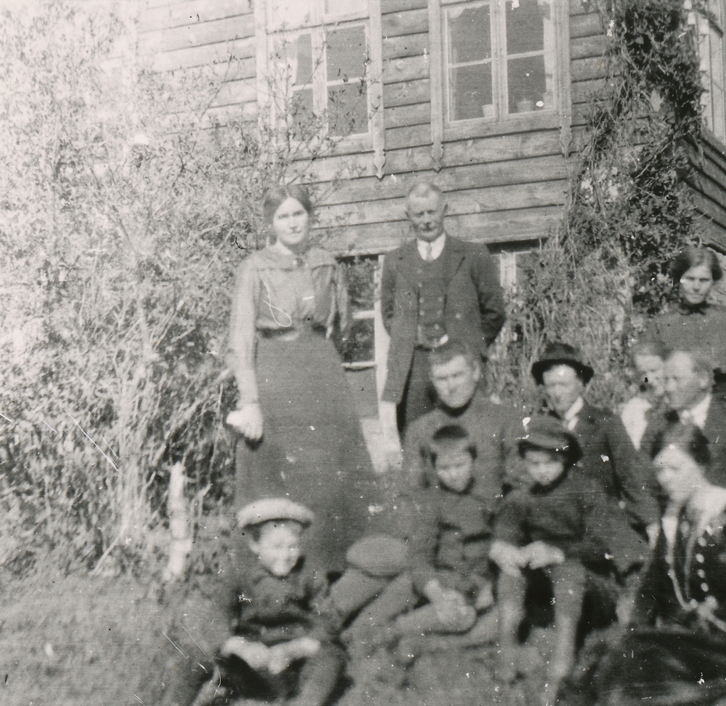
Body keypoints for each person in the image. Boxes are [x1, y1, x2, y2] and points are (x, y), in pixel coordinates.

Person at [560, 425, 726, 706]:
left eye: (675, 468)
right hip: (688, 630)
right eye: (660, 470)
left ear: (701, 465)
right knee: (613, 644)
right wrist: (635, 626)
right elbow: (654, 586)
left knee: (644, 660)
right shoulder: (673, 518)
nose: (665, 479)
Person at [224, 185, 374, 573]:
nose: (292, 223)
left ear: (310, 217)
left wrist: (320, 356)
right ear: (271, 224)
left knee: (330, 473)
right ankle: (272, 573)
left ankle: (333, 569)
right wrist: (251, 401)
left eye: (298, 214)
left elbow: (343, 324)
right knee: (277, 471)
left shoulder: (326, 262)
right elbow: (240, 339)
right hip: (274, 370)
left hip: (321, 371)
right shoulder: (254, 267)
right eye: (283, 216)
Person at [138, 499, 346, 706]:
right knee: (196, 651)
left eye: (292, 546)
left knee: (332, 656)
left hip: (292, 670)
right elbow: (215, 617)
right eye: (276, 547)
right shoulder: (237, 575)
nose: (286, 555)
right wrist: (240, 647)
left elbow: (328, 621)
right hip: (250, 670)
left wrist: (295, 649)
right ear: (255, 545)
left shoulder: (310, 575)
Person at [490, 417, 642, 706]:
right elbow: (505, 533)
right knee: (511, 573)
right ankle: (506, 656)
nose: (541, 471)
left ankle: (561, 667)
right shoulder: (522, 496)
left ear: (566, 458)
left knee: (567, 569)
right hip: (546, 585)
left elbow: (604, 545)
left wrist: (557, 552)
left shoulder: (586, 490)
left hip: (594, 586)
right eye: (533, 463)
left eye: (549, 462)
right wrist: (503, 550)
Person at [341, 425, 502, 663]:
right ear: (434, 468)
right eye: (444, 468)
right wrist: (436, 591)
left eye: (460, 465)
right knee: (405, 585)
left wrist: (491, 587)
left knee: (467, 618)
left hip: (473, 586)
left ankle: (393, 633)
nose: (453, 474)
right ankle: (355, 634)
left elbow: (505, 546)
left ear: (474, 461)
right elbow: (419, 554)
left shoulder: (491, 498)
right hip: (438, 577)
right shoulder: (434, 502)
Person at [380, 182, 507, 434]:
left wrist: (469, 345)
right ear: (408, 217)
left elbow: (494, 312)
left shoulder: (474, 255)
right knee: (416, 439)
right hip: (414, 369)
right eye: (419, 214)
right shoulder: (395, 261)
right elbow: (389, 315)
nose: (427, 220)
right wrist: (412, 337)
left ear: (444, 210)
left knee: (471, 436)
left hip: (461, 364)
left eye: (432, 212)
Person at [531, 342, 659, 563]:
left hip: (598, 528)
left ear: (581, 384)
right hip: (553, 527)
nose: (557, 393)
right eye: (550, 385)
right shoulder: (538, 427)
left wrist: (652, 525)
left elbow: (631, 477)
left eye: (564, 384)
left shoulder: (605, 423)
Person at [646, 246, 726, 412]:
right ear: (679, 279)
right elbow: (646, 373)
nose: (696, 287)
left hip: (724, 405)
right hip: (679, 406)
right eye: (690, 279)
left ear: (713, 281)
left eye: (704, 280)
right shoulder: (661, 324)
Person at [402, 339, 525, 505]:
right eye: (442, 379)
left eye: (457, 375)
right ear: (432, 380)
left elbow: (521, 487)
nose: (451, 386)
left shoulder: (506, 420)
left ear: (475, 372)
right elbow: (412, 493)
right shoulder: (419, 430)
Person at [643, 349, 726, 489]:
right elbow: (641, 480)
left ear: (703, 379)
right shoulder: (657, 425)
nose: (669, 388)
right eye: (666, 380)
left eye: (676, 379)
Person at [620, 338, 668, 451]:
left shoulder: (684, 402)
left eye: (654, 370)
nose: (649, 379)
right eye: (643, 373)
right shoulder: (634, 408)